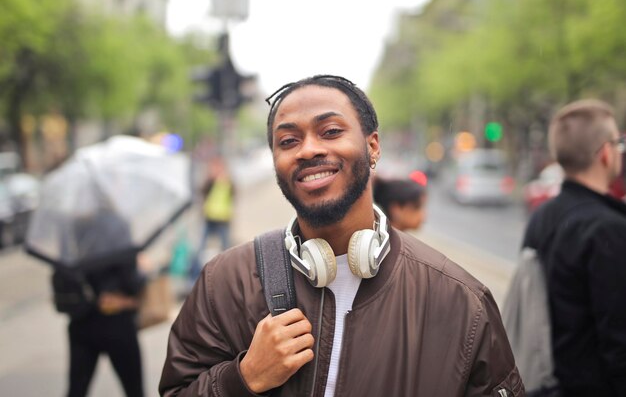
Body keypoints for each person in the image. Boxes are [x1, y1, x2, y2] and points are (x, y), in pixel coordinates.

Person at [159, 75, 523, 396]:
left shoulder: (462, 302)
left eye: (331, 131)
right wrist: (244, 378)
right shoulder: (223, 281)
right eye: (288, 141)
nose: (309, 149)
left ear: (373, 146)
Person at [521, 99, 626, 396]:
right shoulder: (609, 229)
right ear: (605, 153)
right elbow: (619, 342)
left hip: (544, 384)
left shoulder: (542, 217)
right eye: (618, 143)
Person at [62, 211, 145, 397]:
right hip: (116, 320)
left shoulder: (72, 225)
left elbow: (62, 270)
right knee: (134, 391)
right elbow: (131, 281)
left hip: (81, 321)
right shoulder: (117, 224)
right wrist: (143, 272)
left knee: (76, 390)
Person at [188, 156, 235, 283]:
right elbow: (202, 192)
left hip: (223, 219)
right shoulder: (209, 182)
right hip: (209, 218)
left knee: (227, 250)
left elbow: (233, 195)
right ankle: (193, 278)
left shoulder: (228, 182)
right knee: (200, 249)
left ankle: (228, 278)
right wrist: (210, 180)